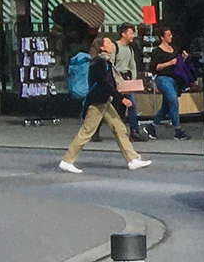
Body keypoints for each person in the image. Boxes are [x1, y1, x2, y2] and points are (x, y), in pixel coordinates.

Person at [59, 36, 151, 173]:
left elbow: (109, 84)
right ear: (102, 47)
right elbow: (106, 84)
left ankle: (132, 159)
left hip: (104, 101)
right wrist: (121, 98)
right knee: (86, 132)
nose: (112, 44)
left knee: (119, 127)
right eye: (108, 42)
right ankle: (67, 160)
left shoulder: (104, 62)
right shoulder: (100, 63)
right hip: (97, 103)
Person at [149, 27, 191, 140]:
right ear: (162, 37)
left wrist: (183, 59)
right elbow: (155, 67)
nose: (171, 37)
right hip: (163, 79)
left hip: (174, 80)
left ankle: (152, 127)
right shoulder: (157, 51)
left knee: (166, 107)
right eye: (168, 35)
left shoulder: (174, 49)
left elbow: (179, 64)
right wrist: (170, 63)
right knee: (173, 100)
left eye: (171, 35)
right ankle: (178, 130)